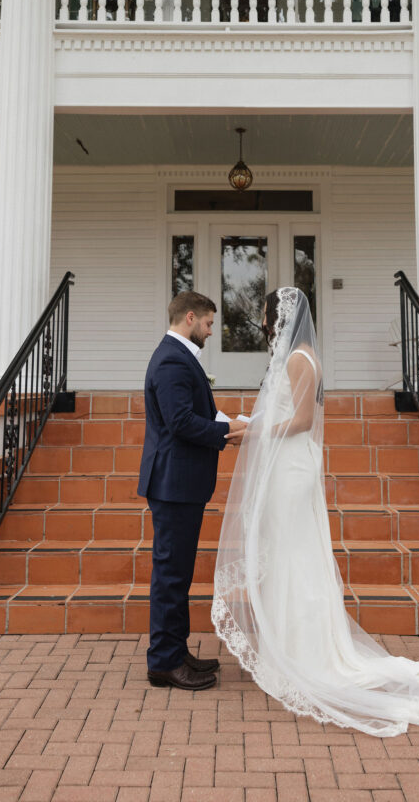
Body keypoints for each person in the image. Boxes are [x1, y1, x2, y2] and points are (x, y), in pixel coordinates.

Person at [211, 286, 419, 736]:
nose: (264, 323)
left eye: (267, 315)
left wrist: (253, 432)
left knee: (293, 554)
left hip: (291, 466)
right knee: (288, 552)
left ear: (280, 315)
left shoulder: (299, 358)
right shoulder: (296, 355)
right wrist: (253, 423)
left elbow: (302, 420)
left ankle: (307, 656)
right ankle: (288, 648)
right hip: (287, 462)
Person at [139, 290, 246, 690]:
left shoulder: (178, 356)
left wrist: (232, 424)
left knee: (178, 573)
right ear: (189, 318)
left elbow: (196, 413)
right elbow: (180, 422)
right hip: (173, 484)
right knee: (170, 574)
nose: (211, 331)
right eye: (208, 323)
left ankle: (175, 651)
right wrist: (228, 432)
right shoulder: (170, 359)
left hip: (181, 483)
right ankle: (163, 663)